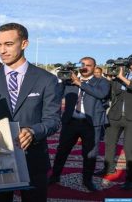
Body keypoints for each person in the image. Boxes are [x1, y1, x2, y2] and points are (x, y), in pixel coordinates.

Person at [0, 23, 60, 202]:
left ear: (24, 44)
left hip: (34, 159)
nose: (2, 50)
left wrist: (33, 131)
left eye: (8, 44)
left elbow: (53, 120)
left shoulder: (47, 79)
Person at [49, 57, 110, 192]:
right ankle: (55, 176)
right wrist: (62, 81)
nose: (85, 67)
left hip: (91, 123)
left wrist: (80, 83)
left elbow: (101, 94)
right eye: (83, 65)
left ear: (94, 67)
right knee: (62, 150)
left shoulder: (102, 82)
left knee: (90, 154)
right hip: (71, 122)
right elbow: (56, 95)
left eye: (89, 65)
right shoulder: (70, 82)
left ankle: (87, 180)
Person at [96, 62, 132, 190]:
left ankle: (130, 178)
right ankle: (108, 169)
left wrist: (122, 78)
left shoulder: (122, 77)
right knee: (109, 144)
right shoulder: (119, 77)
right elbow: (111, 93)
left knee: (129, 149)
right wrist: (109, 80)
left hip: (131, 118)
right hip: (115, 116)